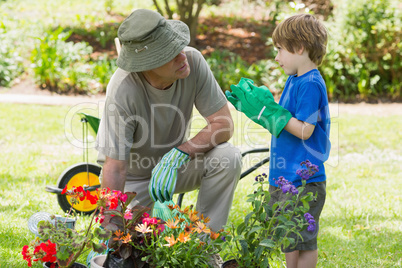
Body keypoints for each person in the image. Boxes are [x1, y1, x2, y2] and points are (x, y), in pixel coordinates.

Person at [95, 9, 241, 234]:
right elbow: (115, 167)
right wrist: (109, 227)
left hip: (176, 168)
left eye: (179, 46)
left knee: (227, 157)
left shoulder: (192, 61)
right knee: (135, 249)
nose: (182, 56)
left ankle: (205, 247)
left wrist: (180, 153)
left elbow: (223, 124)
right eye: (170, 54)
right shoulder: (123, 89)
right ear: (147, 64)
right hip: (134, 179)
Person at [226, 14, 331, 268]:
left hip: (305, 180)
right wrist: (262, 112)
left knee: (303, 240)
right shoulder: (295, 80)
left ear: (299, 47)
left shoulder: (311, 84)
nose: (276, 57)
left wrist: (272, 112)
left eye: (280, 50)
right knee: (287, 236)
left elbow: (305, 130)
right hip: (286, 175)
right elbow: (283, 125)